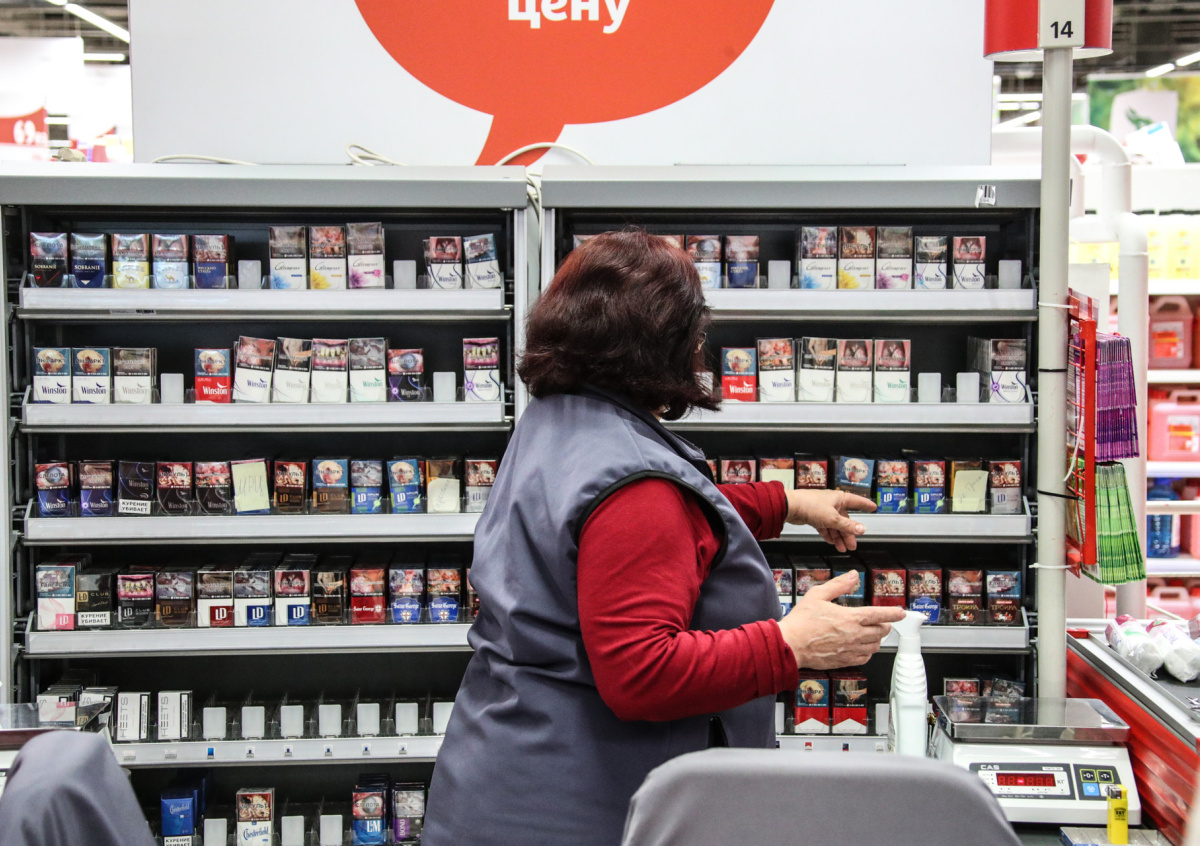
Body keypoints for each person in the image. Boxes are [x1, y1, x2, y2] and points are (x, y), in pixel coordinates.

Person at [423, 230, 906, 846]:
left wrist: (782, 502)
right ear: (663, 345)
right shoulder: (633, 482)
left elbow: (634, 522)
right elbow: (641, 672)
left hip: (507, 778)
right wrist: (791, 643)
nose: (701, 348)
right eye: (695, 334)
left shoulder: (560, 418)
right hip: (580, 812)